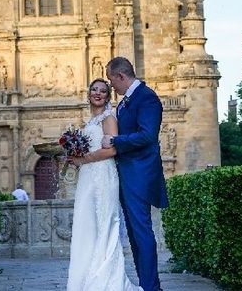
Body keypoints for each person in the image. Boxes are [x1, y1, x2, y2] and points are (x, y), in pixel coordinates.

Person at [66, 79, 142, 291]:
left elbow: (112, 150)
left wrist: (83, 159)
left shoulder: (109, 118)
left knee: (104, 225)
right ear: (88, 93)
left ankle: (105, 281)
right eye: (94, 90)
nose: (98, 93)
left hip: (103, 175)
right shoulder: (91, 122)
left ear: (108, 96)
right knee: (88, 226)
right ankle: (87, 278)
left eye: (103, 91)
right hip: (88, 177)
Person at [102, 56, 168, 291]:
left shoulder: (146, 98)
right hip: (128, 173)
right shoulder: (126, 102)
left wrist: (116, 141)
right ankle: (147, 285)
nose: (112, 87)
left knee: (141, 231)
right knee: (135, 233)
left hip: (139, 174)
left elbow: (148, 135)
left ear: (121, 76)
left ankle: (152, 288)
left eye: (112, 81)